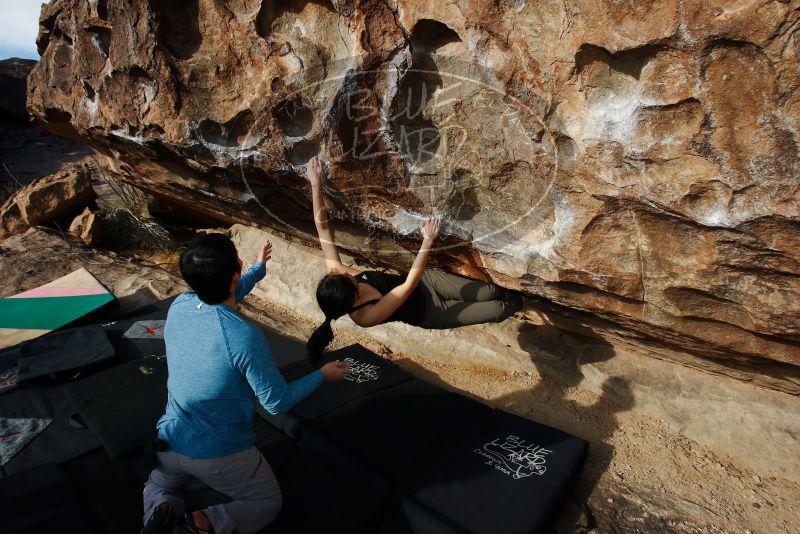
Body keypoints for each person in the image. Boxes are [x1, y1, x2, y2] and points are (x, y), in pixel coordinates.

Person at [142, 233, 349, 534]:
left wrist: (258, 269)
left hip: (170, 441)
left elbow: (222, 297)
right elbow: (276, 402)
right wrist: (322, 375)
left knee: (157, 486)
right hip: (220, 453)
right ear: (234, 275)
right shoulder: (243, 337)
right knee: (266, 502)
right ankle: (205, 523)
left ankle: (160, 507)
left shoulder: (180, 305)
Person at [306, 155, 523, 363]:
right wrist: (427, 241)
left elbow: (323, 229)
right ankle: (522, 303)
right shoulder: (365, 316)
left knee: (490, 292)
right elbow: (407, 286)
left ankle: (509, 294)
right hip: (431, 312)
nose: (347, 273)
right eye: (349, 279)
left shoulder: (338, 278)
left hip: (426, 282)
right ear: (352, 298)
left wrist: (315, 184)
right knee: (498, 310)